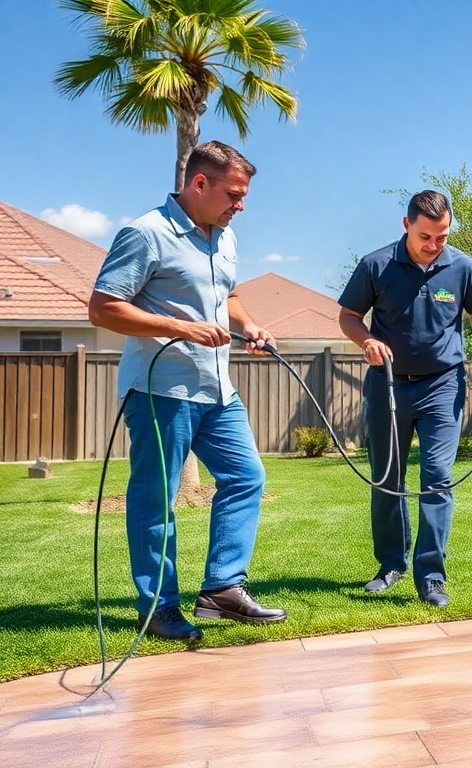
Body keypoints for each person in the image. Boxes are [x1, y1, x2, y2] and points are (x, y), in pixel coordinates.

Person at [89, 141, 287, 642]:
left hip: (217, 389)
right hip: (162, 390)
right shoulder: (146, 233)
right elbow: (104, 308)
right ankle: (157, 608)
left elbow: (228, 295)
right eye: (234, 194)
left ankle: (222, 589)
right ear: (200, 183)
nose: (240, 204)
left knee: (246, 478)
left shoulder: (225, 237)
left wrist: (251, 324)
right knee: (156, 500)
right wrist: (181, 327)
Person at [337, 190, 472, 607]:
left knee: (437, 476)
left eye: (442, 236)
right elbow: (348, 316)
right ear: (406, 224)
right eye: (426, 236)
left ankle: (431, 576)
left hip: (443, 385)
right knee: (387, 477)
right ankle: (392, 564)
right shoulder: (376, 265)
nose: (434, 245)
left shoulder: (463, 267)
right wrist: (368, 341)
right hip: (388, 383)